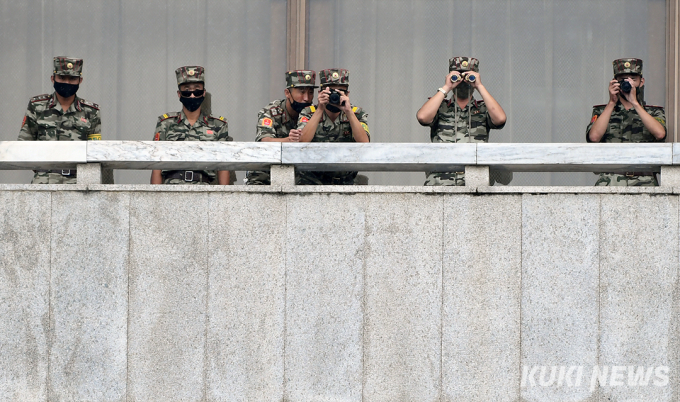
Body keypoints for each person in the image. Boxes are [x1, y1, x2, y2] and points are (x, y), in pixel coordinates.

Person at [416, 57, 506, 186]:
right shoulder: (440, 107)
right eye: (458, 76)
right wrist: (446, 87)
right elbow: (423, 117)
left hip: (475, 185)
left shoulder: (482, 109)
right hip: (439, 184)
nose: (463, 82)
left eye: (468, 77)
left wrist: (479, 86)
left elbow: (500, 119)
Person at [18, 56, 101, 184]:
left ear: (80, 80)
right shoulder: (37, 106)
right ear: (53, 78)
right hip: (44, 180)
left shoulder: (91, 111)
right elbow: (24, 144)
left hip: (78, 181)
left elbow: (95, 151)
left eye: (72, 79)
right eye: (62, 78)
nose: (67, 83)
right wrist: (42, 169)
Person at [586, 58, 666, 186]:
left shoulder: (653, 112)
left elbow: (660, 133)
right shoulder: (602, 111)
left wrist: (635, 103)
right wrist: (611, 102)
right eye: (623, 80)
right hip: (610, 180)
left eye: (633, 79)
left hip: (644, 180)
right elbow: (594, 137)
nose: (628, 84)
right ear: (614, 82)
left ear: (641, 82)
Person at [150, 66, 232, 185]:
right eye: (187, 90)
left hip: (204, 189)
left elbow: (223, 166)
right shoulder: (166, 123)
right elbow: (157, 163)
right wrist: (155, 198)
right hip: (172, 188)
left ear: (203, 93)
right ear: (179, 94)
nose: (192, 95)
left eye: (197, 90)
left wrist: (223, 199)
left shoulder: (218, 125)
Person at [296, 68, 370, 185]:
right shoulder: (309, 113)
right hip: (313, 181)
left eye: (340, 92)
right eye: (331, 92)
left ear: (347, 94)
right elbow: (302, 141)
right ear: (321, 93)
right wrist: (320, 109)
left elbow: (364, 143)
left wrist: (348, 111)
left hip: (347, 181)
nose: (335, 96)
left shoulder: (356, 113)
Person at [245, 70, 317, 185]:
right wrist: (289, 140)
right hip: (266, 176)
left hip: (302, 177)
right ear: (287, 93)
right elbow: (265, 141)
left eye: (310, 92)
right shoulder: (271, 112)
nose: (306, 98)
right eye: (301, 92)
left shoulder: (315, 114)